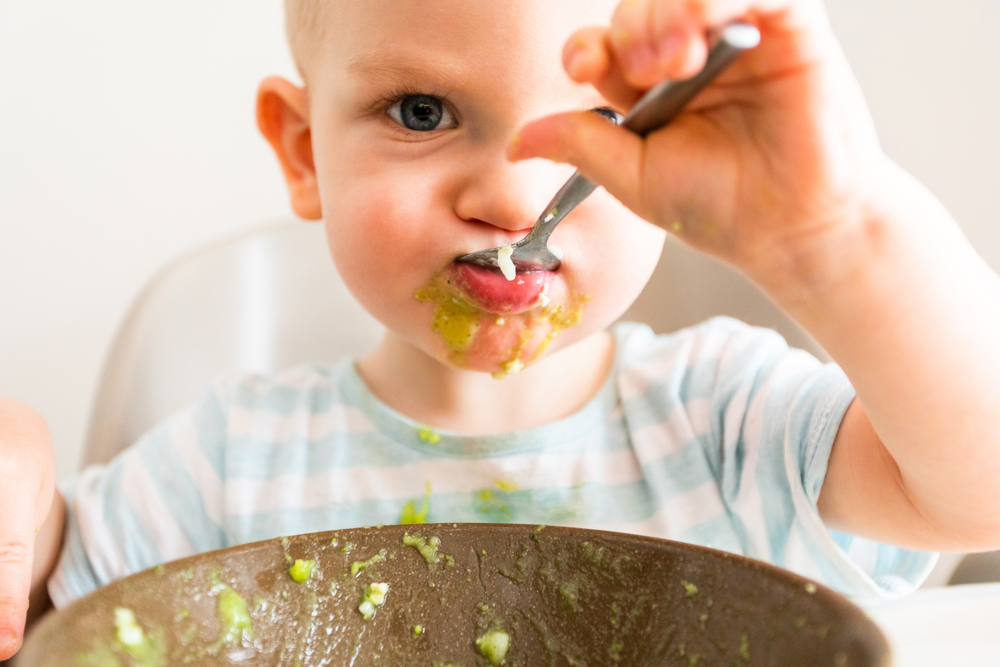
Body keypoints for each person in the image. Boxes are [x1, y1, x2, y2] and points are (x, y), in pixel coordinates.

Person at [3, 0, 1000, 659]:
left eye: (608, 118)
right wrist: (19, 467)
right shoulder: (227, 469)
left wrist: (834, 231)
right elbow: (54, 612)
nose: (514, 195)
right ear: (305, 151)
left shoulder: (734, 425)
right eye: (424, 110)